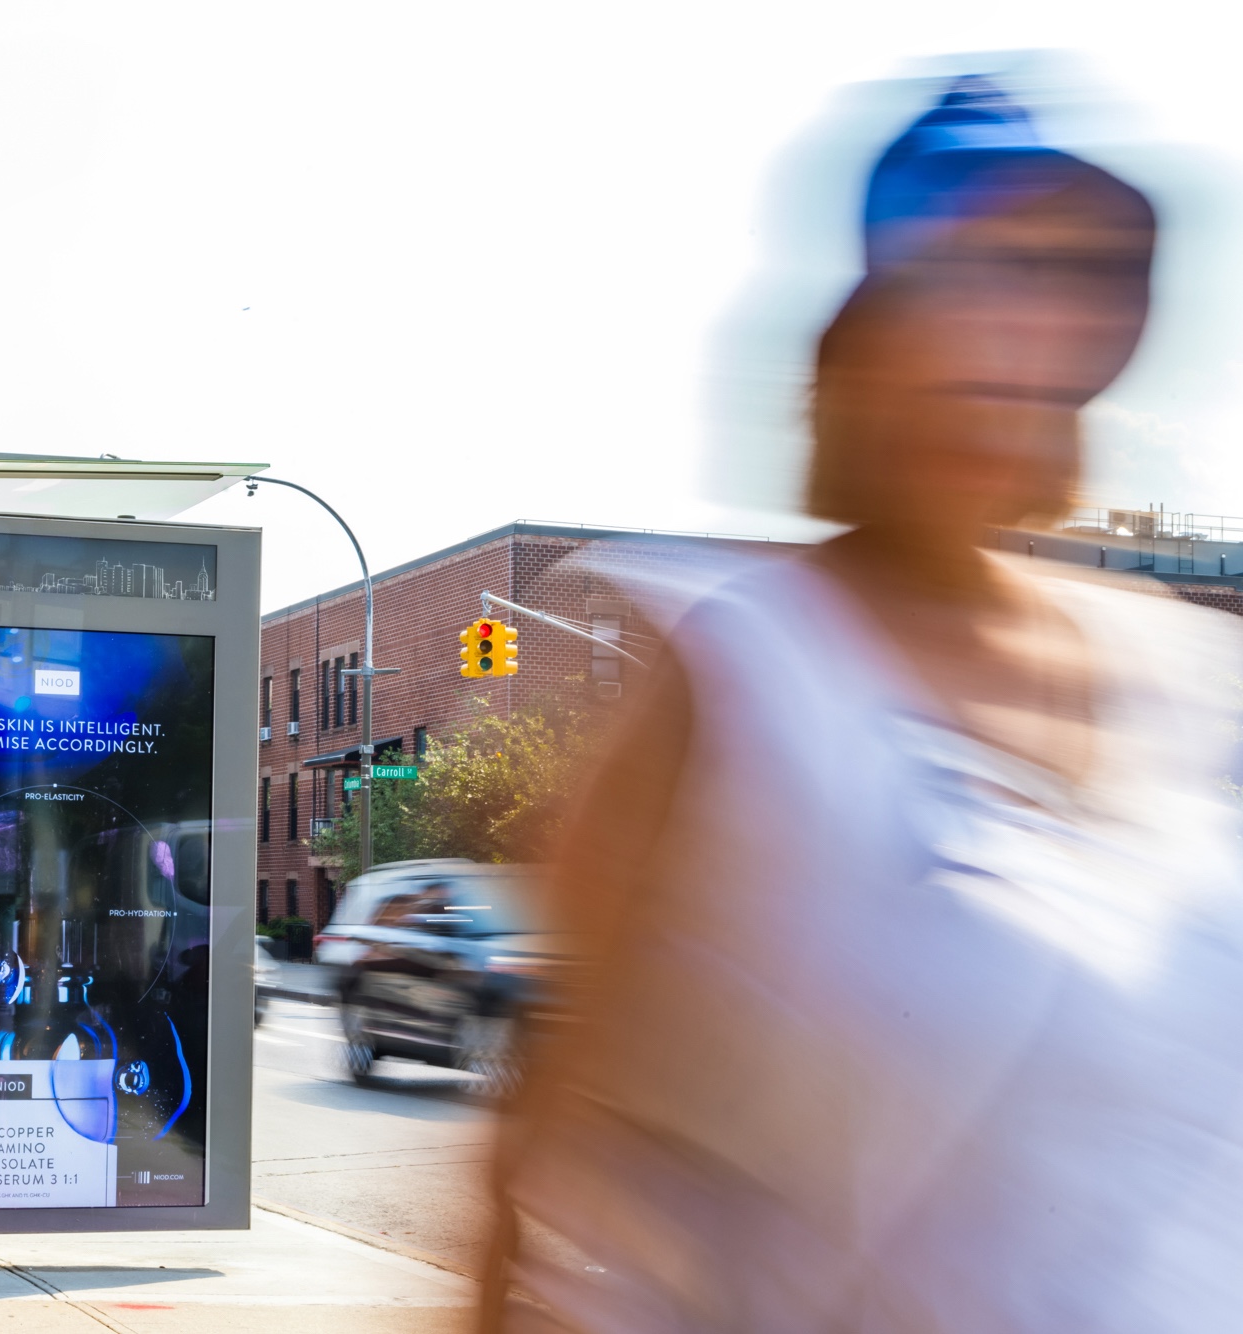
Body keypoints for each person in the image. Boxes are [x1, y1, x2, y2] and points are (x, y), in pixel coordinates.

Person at [480, 80, 1243, 1331]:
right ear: (867, 340)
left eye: (1076, 279)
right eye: (979, 277)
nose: (1026, 331)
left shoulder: (1180, 675)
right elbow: (537, 1176)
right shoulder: (740, 671)